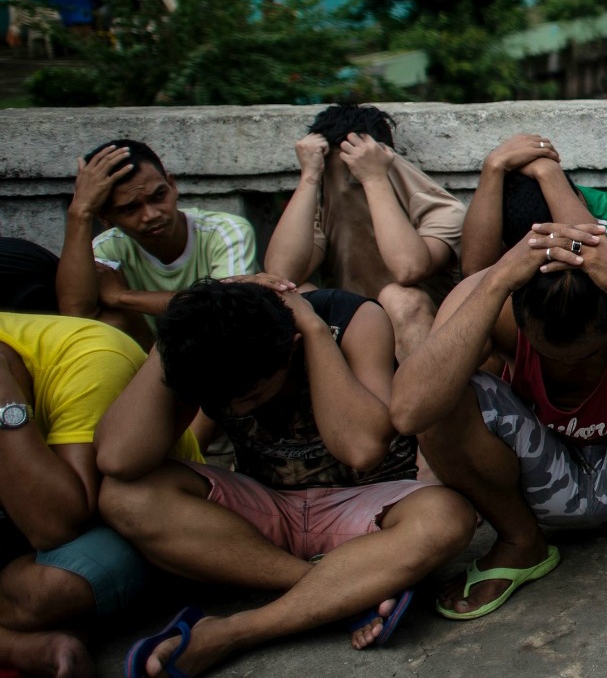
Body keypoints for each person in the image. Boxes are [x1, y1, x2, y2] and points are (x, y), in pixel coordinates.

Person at [96, 279, 474, 677]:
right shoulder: (205, 344)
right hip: (267, 508)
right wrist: (182, 321)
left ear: (289, 346)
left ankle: (235, 631)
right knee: (123, 496)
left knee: (446, 517)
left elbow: (362, 450)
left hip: (366, 505)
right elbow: (118, 459)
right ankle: (341, 592)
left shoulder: (350, 318)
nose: (233, 408)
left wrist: (311, 331)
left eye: (253, 395)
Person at [389, 222, 607, 616]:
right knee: (440, 396)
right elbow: (409, 412)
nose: (572, 367)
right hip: (540, 477)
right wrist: (494, 281)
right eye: (553, 357)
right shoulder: (495, 291)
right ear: (518, 319)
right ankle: (519, 540)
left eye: (589, 355)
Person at [0, 312, 200, 678]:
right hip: (19, 536)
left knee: (64, 585)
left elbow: (55, 524)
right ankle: (23, 647)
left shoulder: (88, 356)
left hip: (113, 525)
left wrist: (4, 406)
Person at [265, 105, 466, 362]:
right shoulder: (322, 202)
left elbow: (408, 268)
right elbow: (281, 276)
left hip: (429, 344)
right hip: (352, 334)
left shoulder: (439, 207)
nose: (346, 181)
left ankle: (423, 400)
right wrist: (309, 177)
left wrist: (374, 179)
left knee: (401, 298)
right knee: (296, 295)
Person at [56, 141, 256, 345]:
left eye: (159, 196)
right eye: (129, 209)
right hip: (153, 359)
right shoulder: (107, 248)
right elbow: (77, 316)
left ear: (172, 185)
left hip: (223, 351)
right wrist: (79, 212)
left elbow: (228, 311)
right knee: (106, 325)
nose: (151, 215)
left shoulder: (224, 231)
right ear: (105, 217)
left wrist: (123, 296)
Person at [460, 133, 607, 276]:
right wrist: (493, 166)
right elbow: (475, 273)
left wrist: (548, 172)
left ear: (580, 200)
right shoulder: (505, 213)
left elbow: (597, 267)